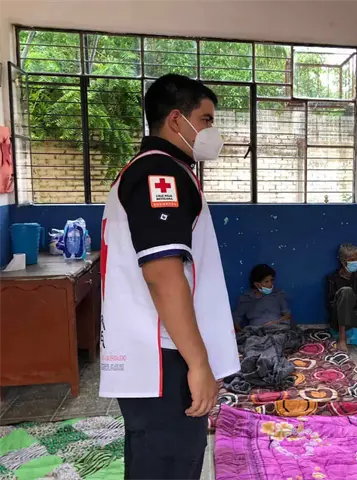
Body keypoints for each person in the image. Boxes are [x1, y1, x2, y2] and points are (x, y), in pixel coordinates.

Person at [99, 74, 240, 480]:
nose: (212, 131)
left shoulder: (156, 170)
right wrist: (198, 363)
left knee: (156, 459)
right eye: (207, 119)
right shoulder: (159, 174)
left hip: (156, 352)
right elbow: (162, 275)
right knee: (170, 460)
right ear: (177, 120)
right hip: (163, 358)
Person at [233, 264, 292, 330]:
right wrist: (242, 332)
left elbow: (287, 315)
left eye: (271, 280)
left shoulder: (278, 294)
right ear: (256, 284)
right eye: (266, 282)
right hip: (256, 332)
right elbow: (235, 320)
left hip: (278, 329)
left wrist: (276, 322)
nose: (270, 284)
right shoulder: (246, 298)